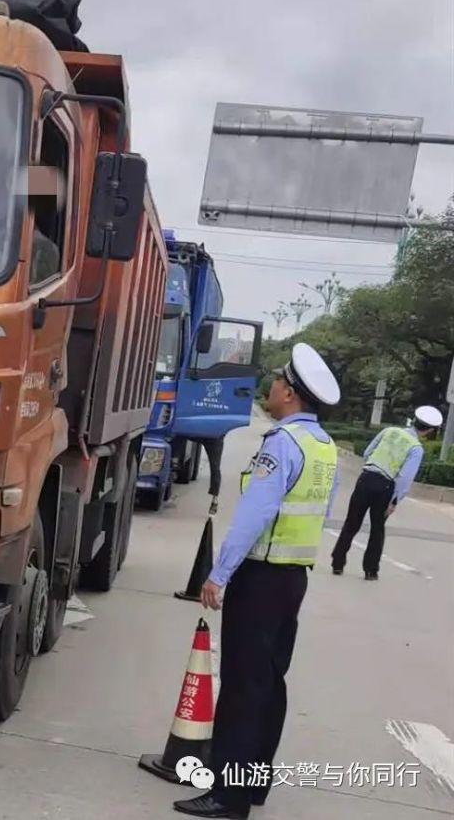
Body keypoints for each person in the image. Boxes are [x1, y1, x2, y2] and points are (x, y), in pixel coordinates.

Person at [173, 343, 341, 820]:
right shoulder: (322, 445)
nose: (269, 388)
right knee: (270, 682)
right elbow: (323, 514)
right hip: (293, 579)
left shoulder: (282, 443)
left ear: (289, 393)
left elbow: (254, 515)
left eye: (276, 382)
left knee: (244, 686)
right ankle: (255, 783)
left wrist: (218, 573)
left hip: (262, 576)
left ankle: (228, 796)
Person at [330, 405, 444, 580]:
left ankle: (337, 563)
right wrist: (395, 500)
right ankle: (370, 570)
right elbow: (405, 478)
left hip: (366, 478)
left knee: (352, 522)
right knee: (377, 529)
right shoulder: (415, 448)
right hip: (385, 487)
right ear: (429, 430)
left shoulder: (389, 431)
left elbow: (368, 452)